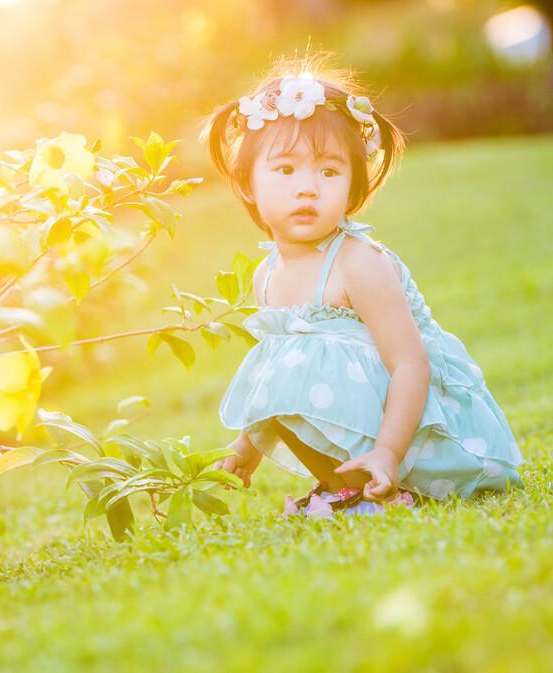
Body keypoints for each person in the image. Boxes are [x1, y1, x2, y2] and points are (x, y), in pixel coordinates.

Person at [203, 58, 526, 517]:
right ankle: (343, 485)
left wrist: (388, 453)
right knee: (277, 358)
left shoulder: (359, 263)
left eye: (329, 172)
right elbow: (273, 377)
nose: (308, 188)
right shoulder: (267, 275)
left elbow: (411, 365)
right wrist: (246, 446)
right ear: (248, 185)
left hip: (421, 433)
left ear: (353, 188)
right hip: (374, 428)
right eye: (286, 169)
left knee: (296, 361)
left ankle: (385, 482)